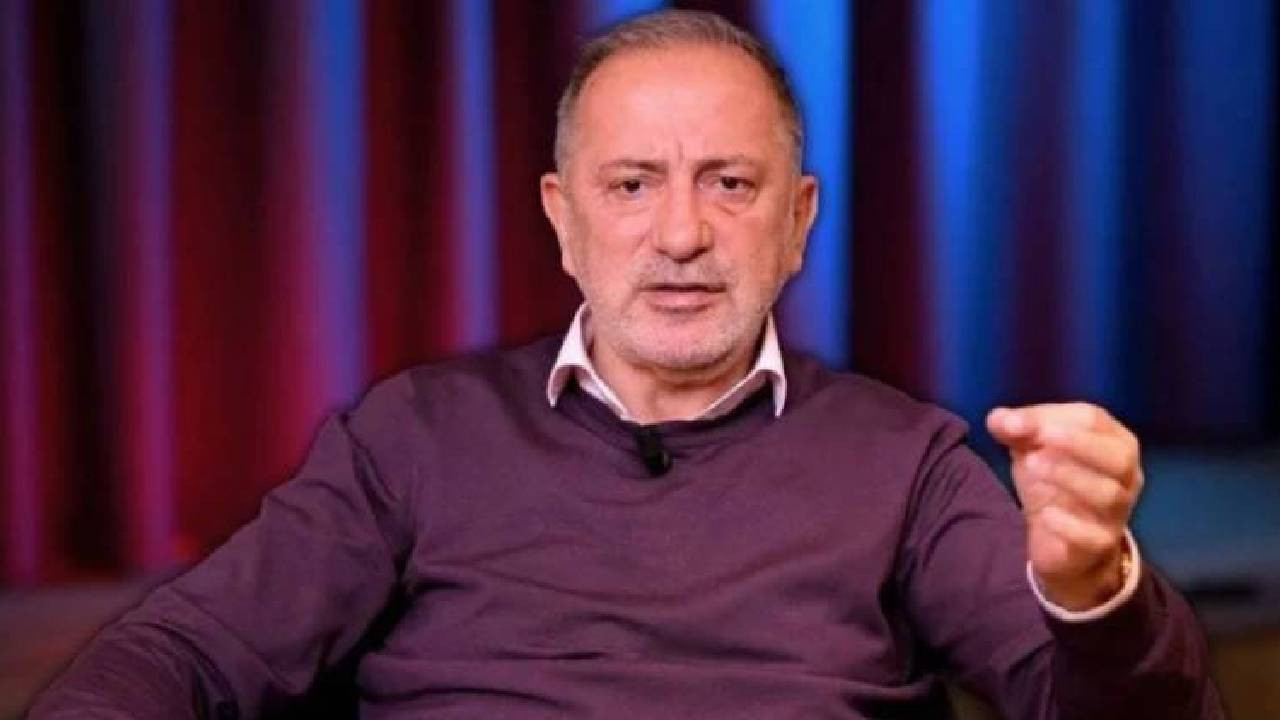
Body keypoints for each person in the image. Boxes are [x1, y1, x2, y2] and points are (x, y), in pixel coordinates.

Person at [29, 9, 1222, 719]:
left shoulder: (904, 464)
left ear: (798, 221)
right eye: (632, 185)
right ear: (562, 218)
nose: (682, 234)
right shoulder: (412, 437)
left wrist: (1093, 592)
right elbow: (185, 655)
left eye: (730, 184)